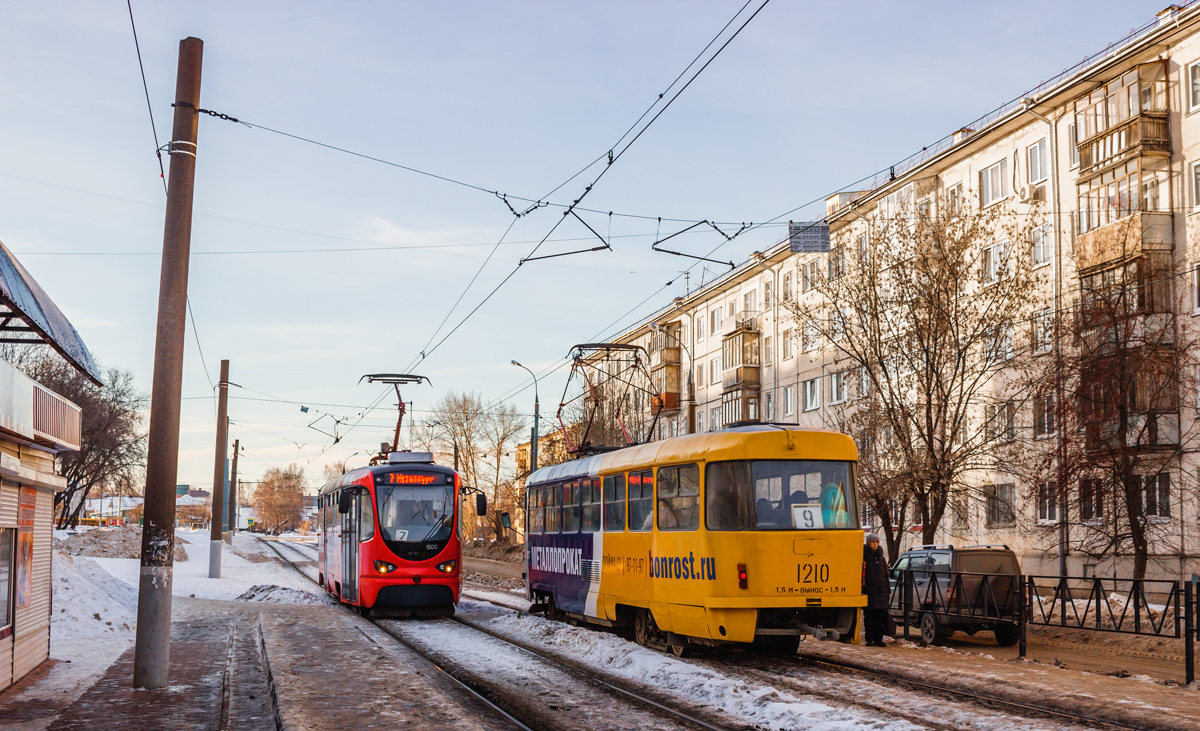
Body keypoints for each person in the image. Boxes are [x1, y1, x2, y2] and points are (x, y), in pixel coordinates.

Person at [862, 533, 891, 648]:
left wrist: (887, 591)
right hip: (869, 591)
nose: (875, 544)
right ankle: (869, 639)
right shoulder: (864, 557)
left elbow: (886, 576)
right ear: (868, 544)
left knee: (880, 618)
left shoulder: (882, 558)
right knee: (869, 617)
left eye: (876, 542)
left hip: (881, 592)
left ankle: (879, 639)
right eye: (873, 542)